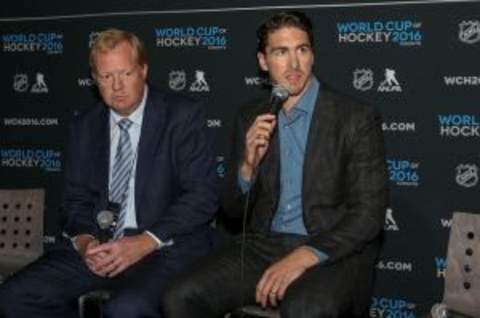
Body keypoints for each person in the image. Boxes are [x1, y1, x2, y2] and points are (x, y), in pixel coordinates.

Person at [163, 11, 388, 318]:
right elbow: (231, 211)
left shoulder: (355, 117)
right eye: (281, 52)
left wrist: (305, 255)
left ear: (312, 55)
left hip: (330, 248)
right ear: (263, 61)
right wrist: (247, 167)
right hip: (264, 245)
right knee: (181, 296)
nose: (294, 64)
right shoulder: (251, 116)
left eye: (302, 50)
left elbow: (368, 215)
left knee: (306, 309)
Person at [0, 29, 218, 318]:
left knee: (126, 309)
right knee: (14, 297)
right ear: (94, 80)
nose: (117, 86)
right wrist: (86, 241)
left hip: (162, 248)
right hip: (100, 248)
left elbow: (202, 196)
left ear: (143, 70)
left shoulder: (181, 116)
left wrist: (144, 242)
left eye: (125, 74)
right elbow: (74, 201)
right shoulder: (85, 126)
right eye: (106, 77)